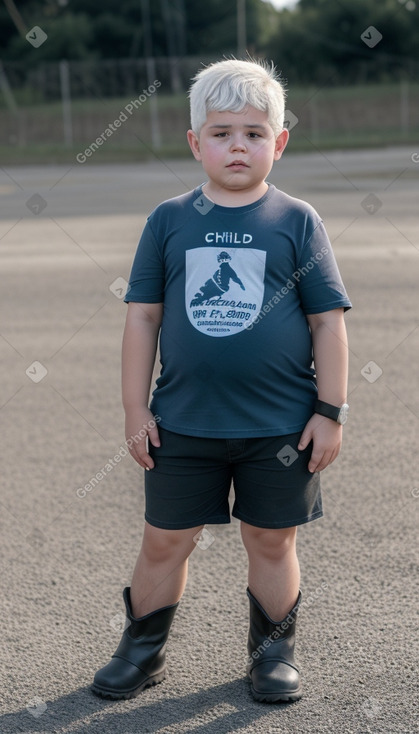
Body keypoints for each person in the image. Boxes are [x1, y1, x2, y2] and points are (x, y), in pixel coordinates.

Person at [91, 58, 352, 703]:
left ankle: (272, 654)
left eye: (254, 133)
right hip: (182, 420)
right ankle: (143, 649)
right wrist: (134, 412)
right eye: (222, 132)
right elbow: (142, 319)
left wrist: (331, 409)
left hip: (281, 426)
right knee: (164, 540)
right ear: (195, 142)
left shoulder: (298, 222)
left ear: (279, 142)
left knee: (270, 538)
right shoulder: (167, 220)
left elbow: (327, 324)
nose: (238, 145)